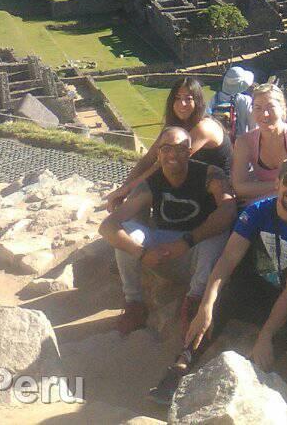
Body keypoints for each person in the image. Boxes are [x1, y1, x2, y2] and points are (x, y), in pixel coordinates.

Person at [151, 156, 287, 403]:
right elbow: (227, 260)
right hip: (258, 289)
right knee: (219, 299)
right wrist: (206, 306)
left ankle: (250, 373)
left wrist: (266, 335)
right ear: (277, 183)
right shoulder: (257, 212)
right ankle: (182, 365)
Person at [100, 126, 236, 337]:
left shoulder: (209, 175)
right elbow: (107, 226)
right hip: (160, 254)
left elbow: (228, 210)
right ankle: (134, 303)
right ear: (159, 153)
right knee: (129, 232)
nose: (173, 154)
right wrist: (141, 253)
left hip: (196, 251)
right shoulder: (150, 184)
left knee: (218, 234)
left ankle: (194, 301)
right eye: (167, 149)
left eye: (180, 149)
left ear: (190, 152)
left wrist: (187, 241)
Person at [106, 77, 232, 210]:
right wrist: (123, 189)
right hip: (194, 183)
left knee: (148, 190)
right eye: (177, 98)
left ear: (197, 102)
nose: (182, 104)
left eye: (188, 99)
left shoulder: (204, 128)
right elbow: (150, 157)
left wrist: (126, 191)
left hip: (215, 191)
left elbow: (163, 164)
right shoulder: (176, 126)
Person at [231, 84, 287, 204]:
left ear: (282, 109)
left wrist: (261, 189)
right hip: (261, 205)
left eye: (270, 107)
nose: (264, 114)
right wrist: (282, 184)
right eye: (258, 108)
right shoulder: (244, 142)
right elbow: (239, 188)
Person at [209, 65, 254, 137]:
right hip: (241, 141)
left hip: (221, 141)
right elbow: (253, 127)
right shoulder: (245, 100)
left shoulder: (214, 98)